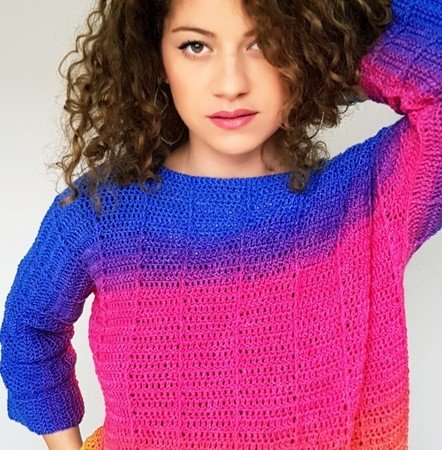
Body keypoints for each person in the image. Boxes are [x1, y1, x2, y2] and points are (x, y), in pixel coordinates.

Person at [0, 0, 440, 448]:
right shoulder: (100, 213)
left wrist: (334, 44)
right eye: (195, 46)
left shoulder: (369, 199)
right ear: (155, 55)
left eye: (265, 43)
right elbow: (29, 329)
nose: (231, 85)